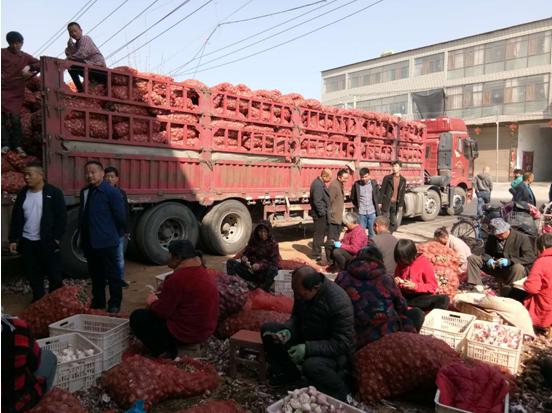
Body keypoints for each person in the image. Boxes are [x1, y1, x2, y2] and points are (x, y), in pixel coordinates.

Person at [261, 266, 354, 401]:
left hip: (331, 352)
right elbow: (296, 317)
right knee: (268, 329)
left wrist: (308, 348)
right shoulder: (302, 294)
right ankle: (290, 375)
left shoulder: (338, 301)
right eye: (295, 293)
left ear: (315, 288)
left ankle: (339, 390)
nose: (297, 297)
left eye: (300, 294)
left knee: (311, 365)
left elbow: (343, 343)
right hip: (306, 336)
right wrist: (288, 331)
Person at [130, 240, 218, 358]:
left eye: (169, 255)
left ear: (177, 257)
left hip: (187, 333)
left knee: (138, 317)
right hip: (205, 330)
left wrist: (152, 302)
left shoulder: (178, 278)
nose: (167, 258)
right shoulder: (203, 271)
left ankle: (164, 352)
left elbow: (161, 312)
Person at [335, 246, 422, 348]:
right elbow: (401, 307)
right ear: (380, 261)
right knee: (416, 314)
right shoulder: (386, 279)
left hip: (349, 334)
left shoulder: (342, 276)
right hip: (383, 336)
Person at [8, 162, 66, 302]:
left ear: (41, 175)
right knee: (33, 274)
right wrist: (14, 239)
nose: (26, 177)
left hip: (47, 241)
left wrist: (56, 238)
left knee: (54, 274)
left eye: (30, 174)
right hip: (28, 241)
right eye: (25, 175)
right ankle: (38, 300)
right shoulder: (23, 193)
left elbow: (61, 217)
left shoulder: (54, 193)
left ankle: (55, 302)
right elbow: (16, 217)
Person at [79, 160, 126, 313]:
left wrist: (113, 234)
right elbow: (83, 215)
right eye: (87, 172)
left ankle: (114, 303)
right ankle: (98, 301)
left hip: (107, 241)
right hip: (90, 242)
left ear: (101, 173)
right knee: (96, 275)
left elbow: (120, 217)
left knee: (113, 275)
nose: (89, 175)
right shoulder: (85, 192)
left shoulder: (112, 192)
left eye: (93, 172)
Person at [2, 312, 57, 412]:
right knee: (49, 356)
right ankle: (40, 403)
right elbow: (35, 364)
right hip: (13, 404)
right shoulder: (18, 327)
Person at [466, 218, 536, 294]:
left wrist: (509, 261)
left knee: (518, 267)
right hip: (496, 266)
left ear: (507, 229)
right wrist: (489, 259)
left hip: (512, 269)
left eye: (500, 234)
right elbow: (486, 252)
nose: (498, 237)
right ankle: (476, 286)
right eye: (496, 235)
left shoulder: (521, 238)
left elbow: (530, 257)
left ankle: (511, 292)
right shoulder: (493, 237)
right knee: (472, 258)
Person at [2, 31, 39, 155]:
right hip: (2, 90)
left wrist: (30, 67)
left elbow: (39, 63)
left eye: (19, 43)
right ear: (9, 43)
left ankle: (18, 145)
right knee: (1, 119)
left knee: (15, 119)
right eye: (13, 43)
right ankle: (5, 145)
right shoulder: (2, 53)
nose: (16, 46)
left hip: (16, 92)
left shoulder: (25, 57)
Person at [394, 239, 450, 311]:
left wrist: (415, 286)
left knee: (443, 299)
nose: (401, 263)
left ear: (411, 255)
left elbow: (432, 286)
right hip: (403, 297)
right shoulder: (400, 264)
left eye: (403, 260)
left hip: (418, 298)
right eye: (400, 260)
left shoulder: (424, 263)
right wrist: (396, 283)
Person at [227, 221, 280, 291]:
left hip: (263, 274)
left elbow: (274, 262)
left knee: (273, 270)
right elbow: (246, 253)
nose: (263, 234)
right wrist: (244, 258)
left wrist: (260, 265)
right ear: (257, 232)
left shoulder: (273, 244)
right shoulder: (254, 241)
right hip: (251, 271)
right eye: (260, 231)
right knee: (230, 262)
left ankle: (263, 289)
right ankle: (234, 284)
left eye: (265, 232)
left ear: (269, 232)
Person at [104, 166, 130, 288]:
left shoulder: (121, 194)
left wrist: (126, 230)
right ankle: (106, 279)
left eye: (112, 176)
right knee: (105, 258)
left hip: (118, 231)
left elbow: (125, 212)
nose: (109, 179)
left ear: (117, 179)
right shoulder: (100, 192)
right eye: (107, 176)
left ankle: (119, 280)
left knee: (119, 258)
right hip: (104, 231)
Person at [64, 22, 106, 93]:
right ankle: (80, 89)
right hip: (89, 69)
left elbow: (81, 54)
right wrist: (70, 46)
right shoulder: (76, 45)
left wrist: (68, 59)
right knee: (71, 67)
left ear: (81, 30)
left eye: (75, 31)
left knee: (72, 67)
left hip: (99, 70)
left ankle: (80, 89)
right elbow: (70, 54)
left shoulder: (85, 38)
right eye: (71, 32)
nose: (74, 33)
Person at [523, 233, 552, 329]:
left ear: (543, 247)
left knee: (511, 292)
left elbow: (532, 288)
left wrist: (525, 283)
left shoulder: (542, 262)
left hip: (546, 311)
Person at [309, 169, 332, 262]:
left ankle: (317, 252)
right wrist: (322, 213)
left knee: (320, 234)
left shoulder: (319, 183)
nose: (330, 180)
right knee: (319, 234)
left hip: (320, 213)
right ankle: (316, 254)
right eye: (329, 178)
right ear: (325, 176)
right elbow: (317, 201)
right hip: (319, 215)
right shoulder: (318, 185)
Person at [350, 167, 380, 238]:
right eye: (362, 177)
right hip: (361, 213)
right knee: (361, 234)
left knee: (372, 233)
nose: (364, 179)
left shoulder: (374, 183)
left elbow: (377, 195)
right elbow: (353, 197)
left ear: (369, 175)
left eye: (365, 177)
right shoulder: (356, 185)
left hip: (372, 212)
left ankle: (372, 248)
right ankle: (362, 248)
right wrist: (358, 206)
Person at [380, 161, 406, 232]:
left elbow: (402, 193)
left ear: (400, 168)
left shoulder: (403, 180)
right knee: (385, 220)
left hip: (395, 203)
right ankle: (383, 235)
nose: (394, 168)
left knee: (393, 222)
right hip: (387, 202)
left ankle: (390, 234)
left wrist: (400, 205)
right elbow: (382, 190)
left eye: (396, 166)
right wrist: (380, 202)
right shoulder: (387, 178)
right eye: (393, 166)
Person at [327, 169, 350, 245]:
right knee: (332, 238)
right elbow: (329, 201)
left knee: (336, 237)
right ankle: (329, 253)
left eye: (347, 178)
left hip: (337, 216)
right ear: (339, 177)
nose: (346, 180)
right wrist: (331, 214)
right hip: (334, 217)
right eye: (345, 178)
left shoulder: (339, 184)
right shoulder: (334, 186)